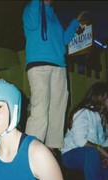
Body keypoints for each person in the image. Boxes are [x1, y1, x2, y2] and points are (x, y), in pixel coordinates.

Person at [23, 0, 88, 150]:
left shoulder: (54, 15)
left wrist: (76, 21)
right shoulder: (31, 8)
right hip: (39, 65)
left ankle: (51, 150)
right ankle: (30, 152)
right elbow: (32, 24)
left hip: (59, 65)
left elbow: (63, 40)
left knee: (57, 112)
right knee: (40, 110)